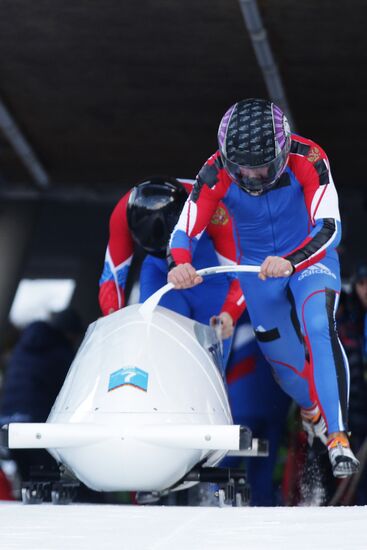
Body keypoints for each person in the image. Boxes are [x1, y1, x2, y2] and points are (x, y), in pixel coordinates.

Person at [167, 98, 359, 478]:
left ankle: (338, 437)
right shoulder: (214, 170)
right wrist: (179, 263)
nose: (253, 176)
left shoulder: (310, 158)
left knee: (319, 326)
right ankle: (311, 410)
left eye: (264, 167)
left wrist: (292, 259)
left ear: (284, 151)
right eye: (244, 169)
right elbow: (184, 229)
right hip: (258, 272)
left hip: (309, 259)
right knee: (283, 362)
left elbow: (329, 226)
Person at [98, 176, 246, 365]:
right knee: (157, 346)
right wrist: (113, 316)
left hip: (211, 280)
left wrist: (229, 314)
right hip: (162, 279)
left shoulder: (214, 207)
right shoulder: (122, 213)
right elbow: (112, 277)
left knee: (210, 356)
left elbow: (239, 276)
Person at [0, 308, 84, 482]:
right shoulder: (62, 353)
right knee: (48, 474)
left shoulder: (21, 349)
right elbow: (73, 392)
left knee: (28, 477)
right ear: (70, 334)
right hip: (36, 423)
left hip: (7, 421)